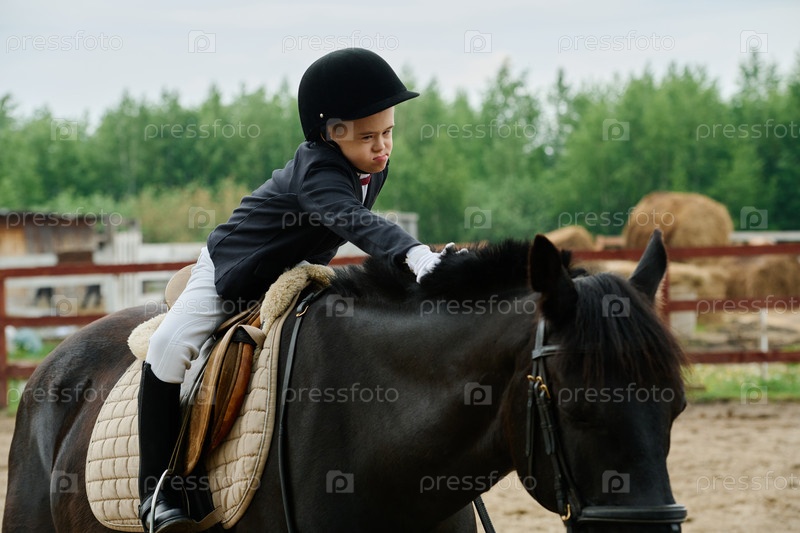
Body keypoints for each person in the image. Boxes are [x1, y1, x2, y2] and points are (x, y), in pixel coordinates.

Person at [137, 48, 451, 533]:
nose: (382, 148)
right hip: (232, 270)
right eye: (368, 137)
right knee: (166, 345)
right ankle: (155, 492)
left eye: (388, 133)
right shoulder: (317, 170)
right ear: (329, 133)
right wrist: (416, 255)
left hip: (293, 273)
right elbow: (353, 220)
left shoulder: (372, 166)